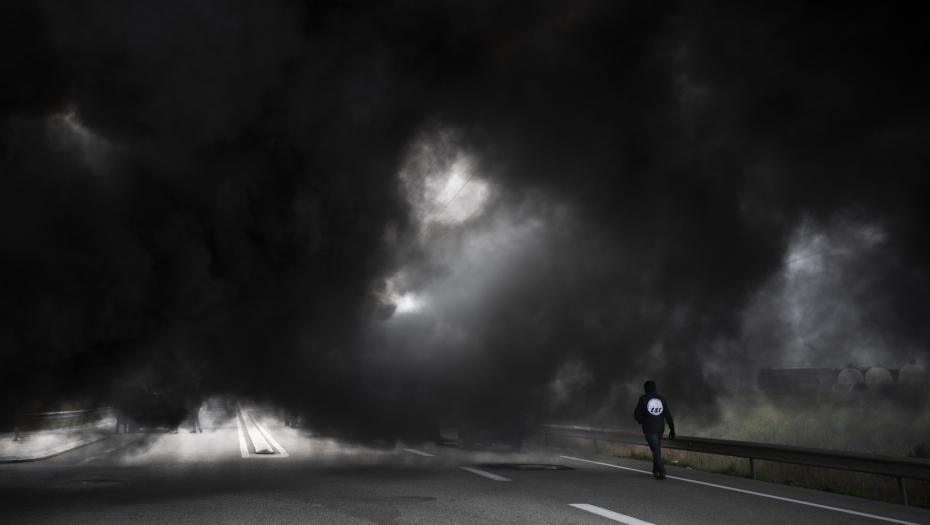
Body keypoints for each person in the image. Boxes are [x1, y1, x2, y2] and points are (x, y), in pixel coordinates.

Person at [633, 380, 675, 480]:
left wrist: (640, 421)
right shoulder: (661, 399)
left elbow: (636, 413)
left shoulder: (643, 399)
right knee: (656, 450)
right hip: (660, 429)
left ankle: (661, 471)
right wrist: (672, 429)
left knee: (656, 450)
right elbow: (668, 416)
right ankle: (655, 470)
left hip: (649, 429)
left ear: (646, 389)